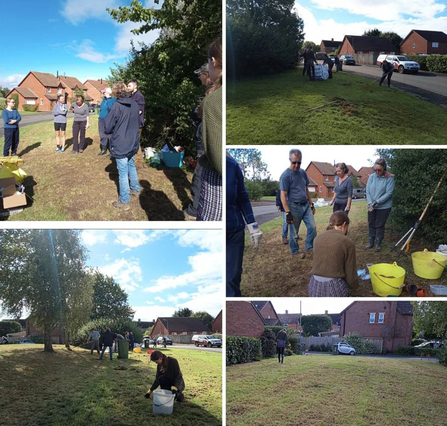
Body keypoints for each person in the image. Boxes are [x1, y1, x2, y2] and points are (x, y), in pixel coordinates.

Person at [226, 153, 262, 297]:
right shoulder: (206, 163)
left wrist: (253, 227)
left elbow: (243, 197)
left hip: (233, 231)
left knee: (232, 277)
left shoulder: (232, 165)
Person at [104, 81, 141, 210]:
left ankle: (124, 201)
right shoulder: (135, 104)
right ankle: (135, 188)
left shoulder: (117, 106)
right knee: (131, 165)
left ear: (115, 92)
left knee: (123, 172)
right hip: (133, 141)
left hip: (121, 143)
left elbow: (107, 127)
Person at [197, 38, 222, 221]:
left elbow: (217, 158)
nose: (200, 77)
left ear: (213, 62)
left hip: (217, 184)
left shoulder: (213, 100)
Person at [184, 64, 214, 220]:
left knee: (200, 174)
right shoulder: (211, 91)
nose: (199, 77)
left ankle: (194, 210)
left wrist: (197, 112)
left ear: (207, 74)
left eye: (200, 74)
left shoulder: (214, 92)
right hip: (203, 137)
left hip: (205, 141)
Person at [309, 211, 358, 297]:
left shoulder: (317, 239)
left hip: (313, 287)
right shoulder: (347, 242)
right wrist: (354, 286)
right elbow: (350, 272)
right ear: (344, 225)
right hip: (334, 288)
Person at [280, 149, 317, 258]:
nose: (296, 165)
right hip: (294, 207)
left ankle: (309, 247)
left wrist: (311, 204)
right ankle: (295, 252)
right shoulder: (286, 175)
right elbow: (283, 195)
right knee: (294, 232)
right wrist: (288, 212)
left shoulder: (303, 172)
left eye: (299, 162)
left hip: (305, 205)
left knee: (312, 227)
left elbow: (306, 189)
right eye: (294, 162)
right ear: (289, 160)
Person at [365, 158, 395, 252]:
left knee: (379, 225)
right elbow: (368, 191)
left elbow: (389, 193)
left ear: (384, 168)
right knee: (371, 223)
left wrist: (376, 202)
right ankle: (371, 242)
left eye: (379, 170)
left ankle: (378, 243)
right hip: (371, 205)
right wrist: (370, 203)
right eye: (375, 170)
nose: (377, 172)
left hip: (384, 207)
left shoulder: (389, 178)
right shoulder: (371, 177)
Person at [97, 87, 116, 156]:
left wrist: (108, 98)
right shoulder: (103, 100)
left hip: (109, 120)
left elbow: (112, 108)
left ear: (107, 92)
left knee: (110, 135)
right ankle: (103, 149)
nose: (103, 93)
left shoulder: (113, 100)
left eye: (104, 92)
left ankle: (112, 151)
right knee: (102, 134)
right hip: (101, 119)